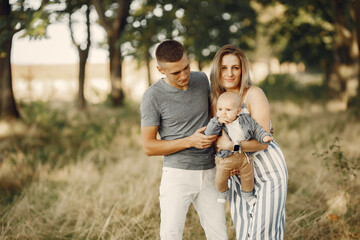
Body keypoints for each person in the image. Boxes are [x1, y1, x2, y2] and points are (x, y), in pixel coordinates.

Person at [140, 39, 228, 240]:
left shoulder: (202, 80)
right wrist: (190, 141)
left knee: (219, 235)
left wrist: (254, 125)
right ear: (160, 70)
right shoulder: (152, 96)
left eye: (186, 67)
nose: (184, 75)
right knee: (171, 235)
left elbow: (220, 112)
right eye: (176, 72)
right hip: (177, 176)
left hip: (210, 172)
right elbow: (149, 146)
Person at [209, 44, 288, 239]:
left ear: (242, 70)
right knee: (245, 232)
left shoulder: (254, 94)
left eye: (235, 67)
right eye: (224, 68)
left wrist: (232, 146)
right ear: (217, 71)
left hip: (268, 170)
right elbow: (216, 141)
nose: (229, 73)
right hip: (238, 174)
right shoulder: (215, 101)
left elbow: (262, 143)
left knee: (263, 233)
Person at [204, 91, 273, 204]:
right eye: (220, 109)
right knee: (220, 179)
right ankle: (223, 192)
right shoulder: (217, 122)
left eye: (228, 110)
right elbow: (208, 133)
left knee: (247, 178)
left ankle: (247, 194)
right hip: (225, 159)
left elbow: (256, 129)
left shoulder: (246, 120)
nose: (223, 113)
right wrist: (217, 121)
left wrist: (264, 136)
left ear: (238, 111)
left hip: (244, 157)